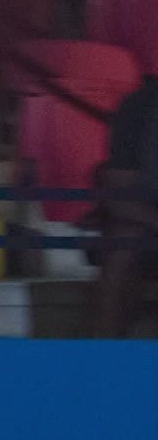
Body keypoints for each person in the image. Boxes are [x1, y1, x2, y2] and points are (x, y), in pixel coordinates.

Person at [96, 71, 158, 337]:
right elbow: (119, 196)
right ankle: (108, 357)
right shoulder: (139, 107)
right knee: (123, 246)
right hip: (146, 221)